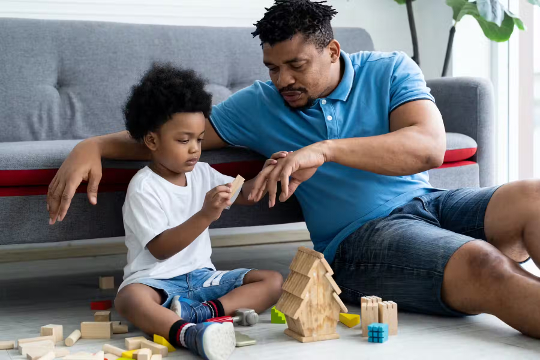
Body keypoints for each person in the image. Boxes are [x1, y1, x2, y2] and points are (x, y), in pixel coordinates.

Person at [48, 0, 540, 338]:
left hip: (430, 202)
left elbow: (428, 147)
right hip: (359, 241)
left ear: (332, 52)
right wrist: (92, 145)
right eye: (271, 67)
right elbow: (176, 136)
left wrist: (324, 150)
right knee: (484, 264)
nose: (282, 80)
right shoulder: (259, 104)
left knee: (535, 197)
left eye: (296, 66)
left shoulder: (390, 69)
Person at [116, 63, 283, 360]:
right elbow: (161, 249)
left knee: (272, 281)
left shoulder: (202, 172)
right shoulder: (143, 187)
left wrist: (265, 173)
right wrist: (205, 215)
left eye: (199, 139)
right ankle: (189, 333)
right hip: (156, 281)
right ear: (152, 140)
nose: (195, 149)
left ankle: (205, 312)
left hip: (202, 278)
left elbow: (242, 193)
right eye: (184, 140)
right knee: (130, 299)